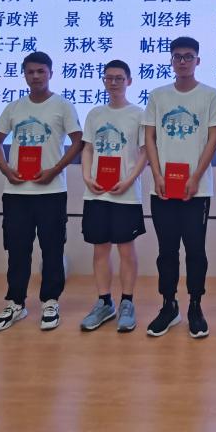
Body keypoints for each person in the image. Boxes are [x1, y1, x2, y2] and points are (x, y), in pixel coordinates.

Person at [0, 51, 82, 332]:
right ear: (24, 75)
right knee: (17, 249)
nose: (36, 76)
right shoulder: (14, 107)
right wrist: (6, 170)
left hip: (51, 190)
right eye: (30, 72)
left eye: (41, 71)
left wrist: (55, 169)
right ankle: (15, 302)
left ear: (50, 73)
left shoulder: (62, 106)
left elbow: (78, 141)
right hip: (16, 192)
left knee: (52, 248)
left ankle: (50, 301)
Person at [142, 37, 216, 338]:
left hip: (196, 190)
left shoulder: (211, 95)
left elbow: (214, 139)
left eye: (188, 56)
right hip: (163, 188)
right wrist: (156, 174)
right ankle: (169, 305)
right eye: (177, 56)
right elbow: (149, 137)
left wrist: (196, 176)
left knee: (195, 250)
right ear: (171, 61)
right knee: (166, 250)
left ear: (197, 61)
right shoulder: (158, 95)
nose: (182, 61)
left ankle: (195, 305)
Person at [80, 59, 149, 333]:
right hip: (97, 193)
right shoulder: (95, 114)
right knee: (100, 248)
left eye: (119, 78)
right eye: (109, 78)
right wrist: (87, 177)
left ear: (129, 81)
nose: (114, 82)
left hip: (126, 193)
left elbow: (144, 153)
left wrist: (129, 180)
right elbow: (87, 149)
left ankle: (127, 302)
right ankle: (104, 302)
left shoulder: (139, 114)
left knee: (126, 249)